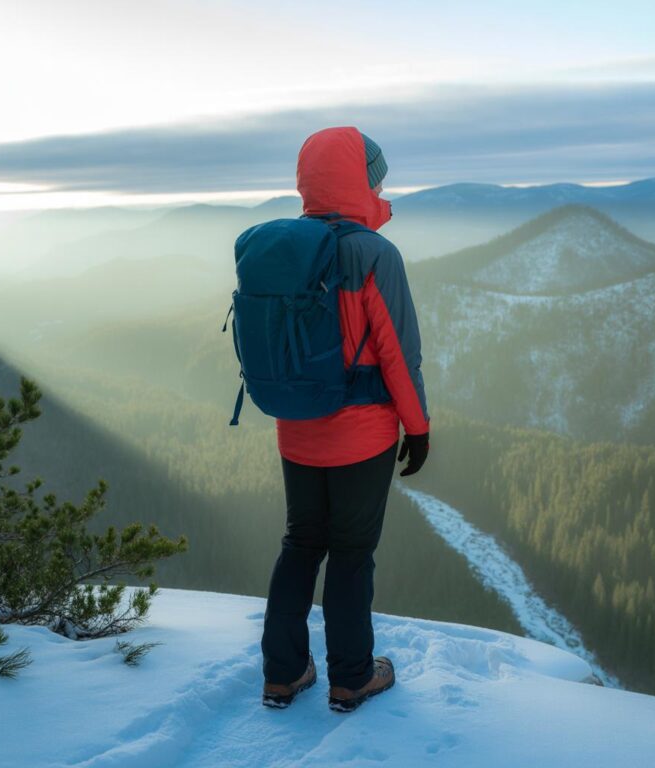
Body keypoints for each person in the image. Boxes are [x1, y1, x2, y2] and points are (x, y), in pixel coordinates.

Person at [260, 126, 430, 713]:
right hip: (363, 434)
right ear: (363, 181)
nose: (381, 185)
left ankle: (282, 673)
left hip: (296, 425)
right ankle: (351, 677)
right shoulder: (373, 253)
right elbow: (397, 353)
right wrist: (420, 426)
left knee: (301, 542)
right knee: (352, 553)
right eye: (376, 177)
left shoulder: (284, 249)